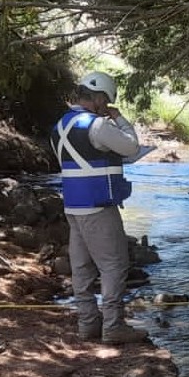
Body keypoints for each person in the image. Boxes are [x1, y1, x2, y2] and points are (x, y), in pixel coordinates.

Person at [50, 71, 149, 345]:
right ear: (100, 98)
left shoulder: (59, 125)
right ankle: (114, 326)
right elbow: (130, 147)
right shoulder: (97, 125)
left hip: (73, 206)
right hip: (97, 205)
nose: (106, 105)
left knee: (81, 269)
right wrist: (118, 118)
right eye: (106, 100)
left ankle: (88, 324)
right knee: (114, 265)